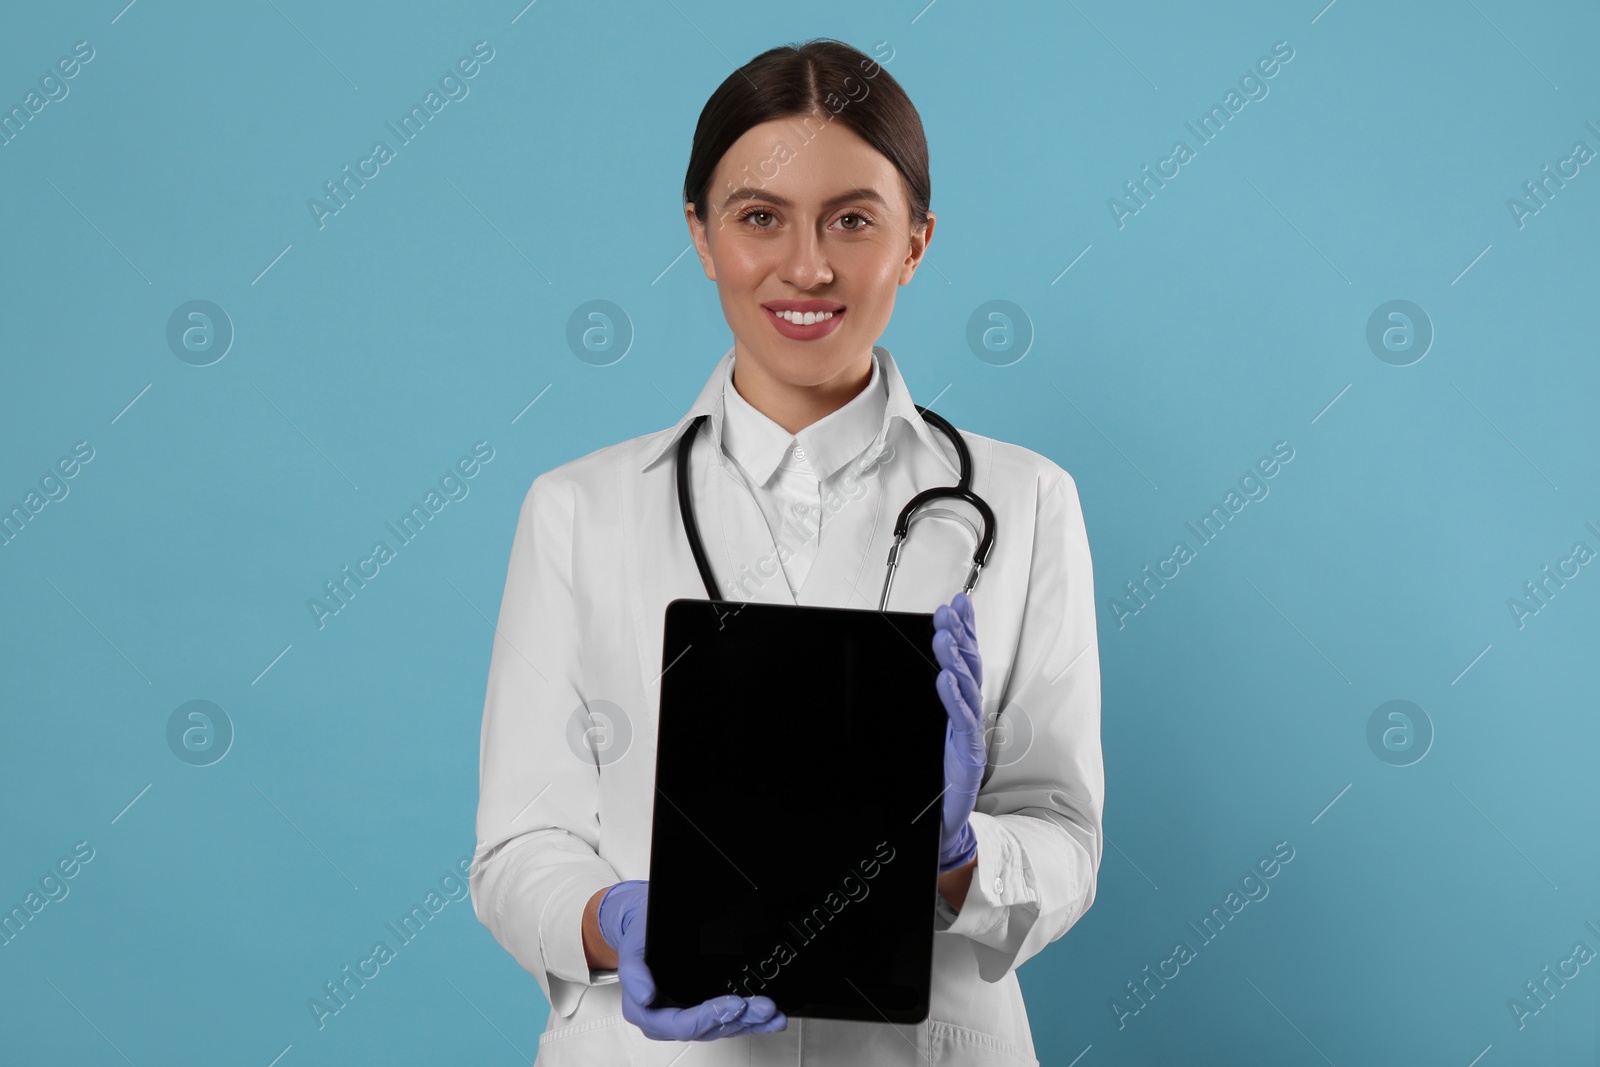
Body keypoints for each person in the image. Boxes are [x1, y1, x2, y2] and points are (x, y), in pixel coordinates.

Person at [470, 37, 1104, 1066]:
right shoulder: (577, 511)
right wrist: (609, 920)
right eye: (759, 217)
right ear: (702, 236)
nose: (806, 265)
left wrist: (957, 849)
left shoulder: (1026, 502)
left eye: (853, 219)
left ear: (915, 242)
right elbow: (516, 850)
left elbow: (1065, 839)